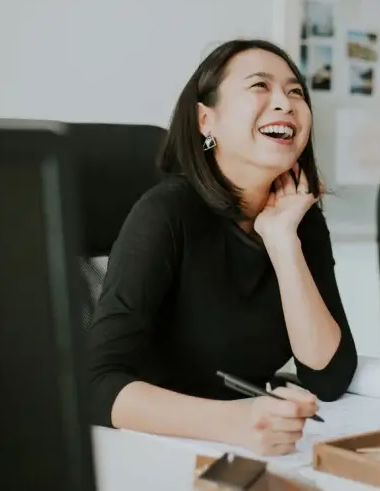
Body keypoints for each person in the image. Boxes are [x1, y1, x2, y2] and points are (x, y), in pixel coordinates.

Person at [87, 38, 358, 456]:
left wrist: (283, 240)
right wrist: (233, 422)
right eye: (259, 86)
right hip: (148, 449)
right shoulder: (166, 213)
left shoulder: (300, 219)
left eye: (295, 91)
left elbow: (328, 376)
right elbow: (94, 384)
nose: (284, 103)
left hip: (243, 449)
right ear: (205, 120)